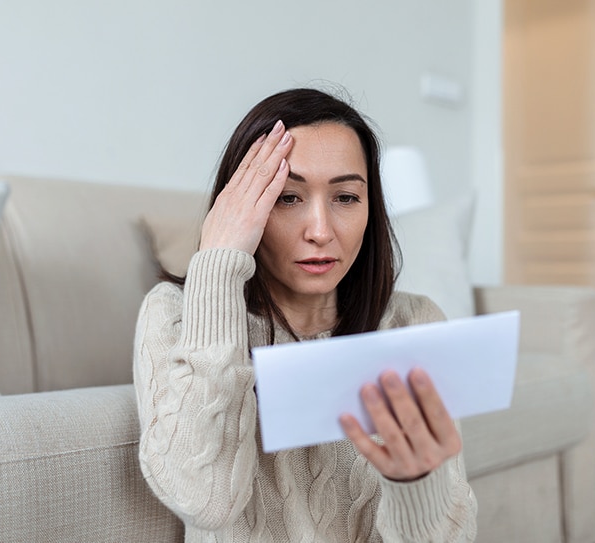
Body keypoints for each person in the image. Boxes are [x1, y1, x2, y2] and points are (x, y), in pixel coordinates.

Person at [133, 88, 478, 542]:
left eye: (347, 198)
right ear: (241, 207)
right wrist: (217, 262)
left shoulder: (414, 323)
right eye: (288, 198)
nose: (320, 231)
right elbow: (205, 501)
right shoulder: (172, 315)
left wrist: (417, 487)